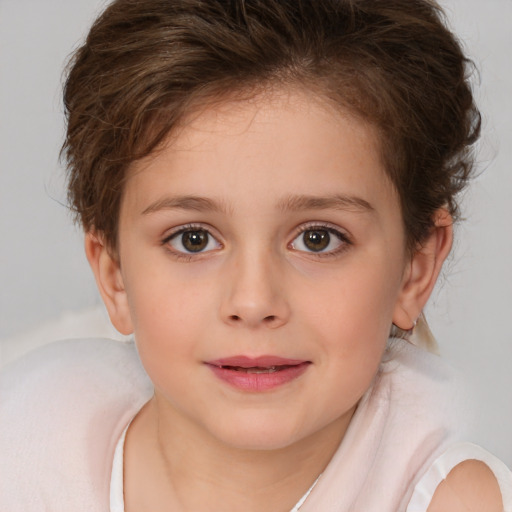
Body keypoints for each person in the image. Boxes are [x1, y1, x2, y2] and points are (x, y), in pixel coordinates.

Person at [1, 0, 511, 510]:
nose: (252, 301)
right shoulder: (29, 448)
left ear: (414, 270)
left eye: (318, 238)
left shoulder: (455, 501)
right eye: (193, 239)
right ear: (114, 275)